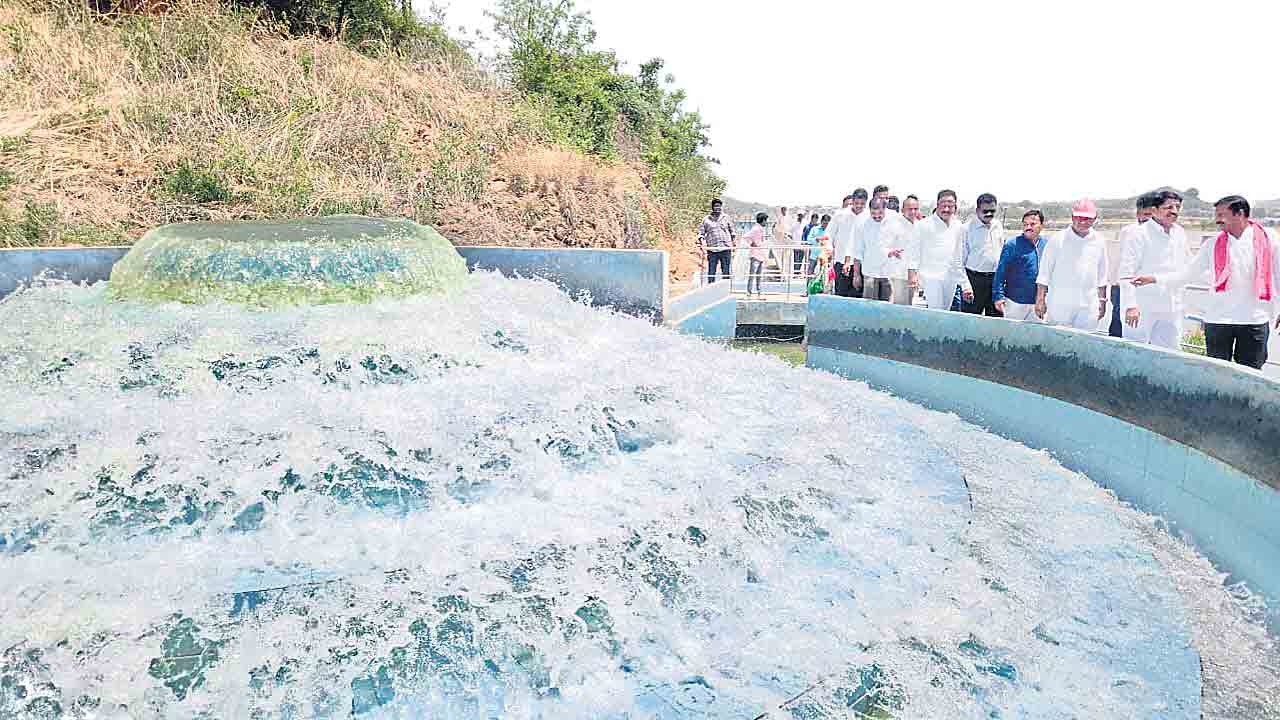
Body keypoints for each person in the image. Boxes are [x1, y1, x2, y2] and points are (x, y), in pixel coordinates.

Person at [1132, 195, 1280, 369]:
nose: (1217, 220)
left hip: (1254, 319)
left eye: (1221, 214)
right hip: (1218, 320)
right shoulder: (1213, 243)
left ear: (1240, 214)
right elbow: (1188, 274)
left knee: (1252, 372)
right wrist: (1155, 279)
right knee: (1217, 373)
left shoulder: (1269, 238)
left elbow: (1278, 273)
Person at [1118, 191, 1187, 350]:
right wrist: (1130, 306)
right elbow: (1126, 273)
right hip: (1142, 307)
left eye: (1177, 207)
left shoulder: (1180, 233)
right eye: (1168, 207)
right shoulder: (1138, 234)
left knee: (1170, 354)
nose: (1174, 211)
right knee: (1134, 354)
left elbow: (1184, 269)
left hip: (1171, 308)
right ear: (1154, 210)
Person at [1035, 199, 1108, 329]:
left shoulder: (1099, 241)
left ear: (1095, 219)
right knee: (1057, 342)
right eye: (1078, 217)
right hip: (1059, 304)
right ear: (1072, 217)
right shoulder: (1057, 240)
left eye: (1087, 219)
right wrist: (1040, 300)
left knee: (1085, 343)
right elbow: (1044, 274)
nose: (1082, 222)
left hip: (1088, 305)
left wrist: (1102, 301)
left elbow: (1102, 275)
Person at [953, 192, 1005, 316]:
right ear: (977, 210)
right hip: (974, 281)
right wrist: (965, 286)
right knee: (969, 321)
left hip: (995, 280)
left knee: (996, 321)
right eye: (985, 211)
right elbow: (958, 261)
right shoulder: (966, 229)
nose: (989, 214)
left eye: (992, 211)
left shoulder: (998, 226)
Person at [912, 189, 966, 309]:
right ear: (937, 205)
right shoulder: (923, 225)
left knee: (945, 311)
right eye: (943, 205)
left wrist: (964, 282)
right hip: (930, 277)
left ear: (955, 207)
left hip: (950, 278)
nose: (946, 209)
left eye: (950, 206)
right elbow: (914, 251)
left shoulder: (958, 226)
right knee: (935, 311)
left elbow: (958, 256)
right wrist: (913, 273)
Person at [853, 198, 913, 303]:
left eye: (880, 213)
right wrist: (856, 274)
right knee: (869, 307)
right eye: (873, 214)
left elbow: (906, 240)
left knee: (888, 307)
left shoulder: (896, 220)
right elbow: (858, 250)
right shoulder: (862, 223)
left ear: (885, 209)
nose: (877, 216)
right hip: (869, 273)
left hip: (888, 273)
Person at [993, 210, 1046, 321]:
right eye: (1025, 224)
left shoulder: (1047, 245)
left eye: (1032, 224)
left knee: (1037, 335)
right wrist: (998, 296)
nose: (1028, 227)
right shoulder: (1012, 245)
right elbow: (1000, 273)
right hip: (1014, 302)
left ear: (1041, 225)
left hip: (1038, 303)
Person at [834, 189, 869, 297]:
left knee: (858, 299)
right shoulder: (840, 215)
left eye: (862, 204)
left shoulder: (869, 217)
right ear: (852, 201)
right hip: (841, 263)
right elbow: (829, 235)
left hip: (861, 265)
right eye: (856, 203)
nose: (859, 206)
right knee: (840, 297)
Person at [698, 198, 735, 284]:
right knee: (711, 272)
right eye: (716, 206)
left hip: (725, 249)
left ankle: (725, 290)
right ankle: (710, 290)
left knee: (726, 272)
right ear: (712, 207)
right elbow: (701, 233)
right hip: (712, 250)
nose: (718, 208)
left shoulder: (726, 218)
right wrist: (702, 243)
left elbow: (732, 231)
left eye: (719, 206)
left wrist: (733, 243)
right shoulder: (706, 220)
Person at [744, 212, 769, 297]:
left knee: (759, 275)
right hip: (755, 254)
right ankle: (749, 291)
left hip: (760, 254)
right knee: (753, 274)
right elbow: (746, 237)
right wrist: (752, 243)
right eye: (766, 220)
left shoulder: (760, 228)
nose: (766, 222)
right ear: (762, 220)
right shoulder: (756, 228)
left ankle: (758, 290)